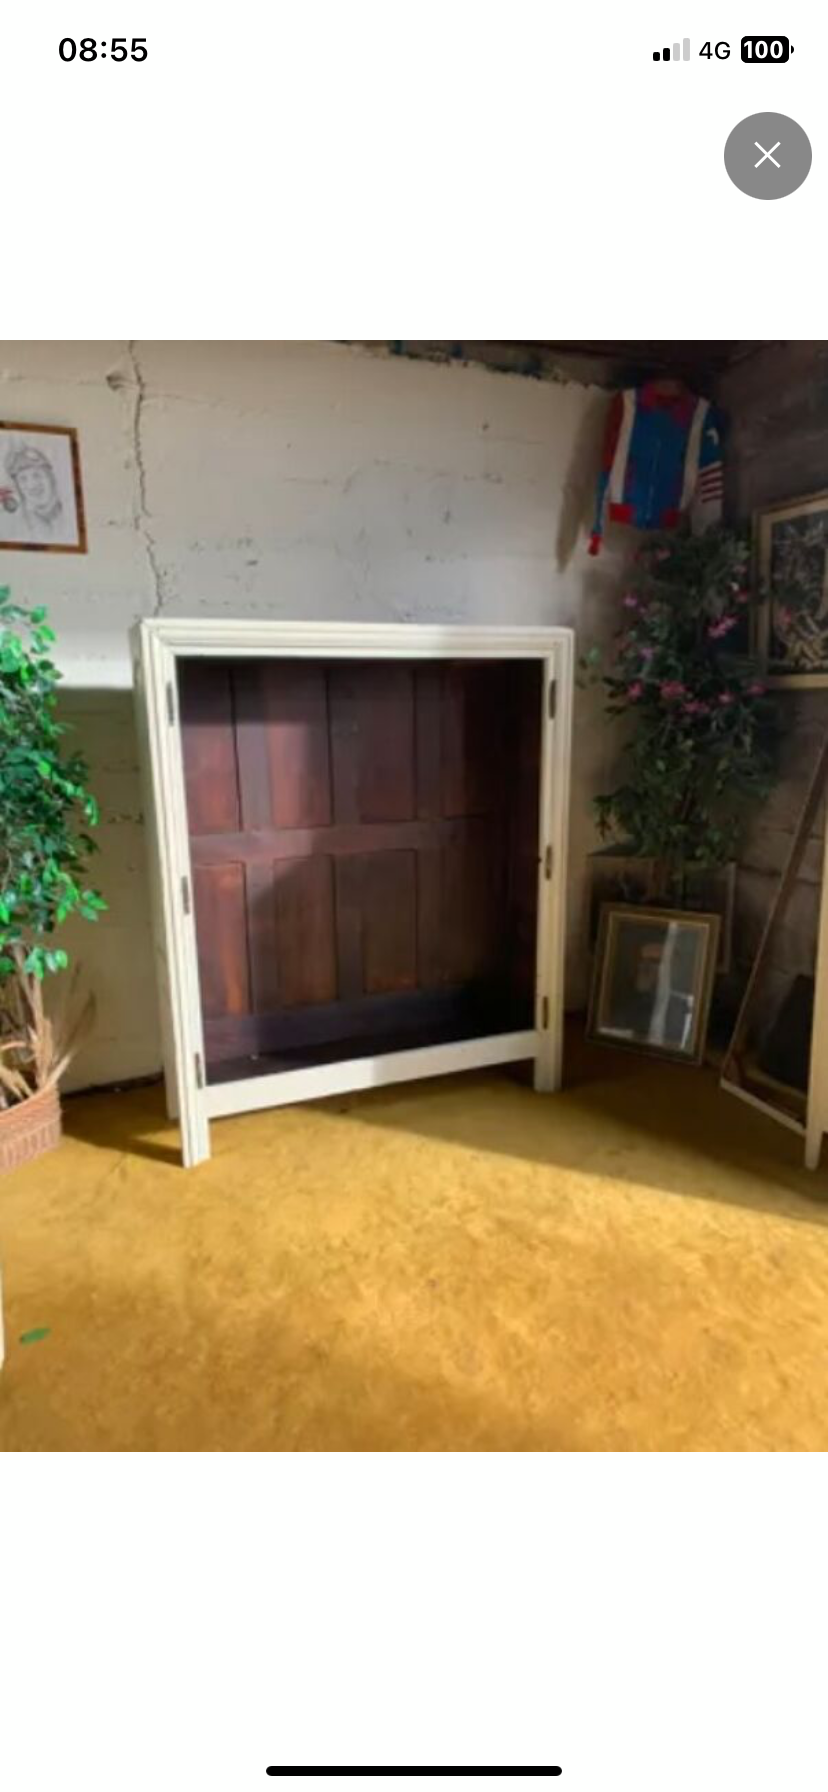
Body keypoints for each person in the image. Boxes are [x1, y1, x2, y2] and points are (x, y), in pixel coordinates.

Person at [5, 442, 64, 539]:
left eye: (37, 475)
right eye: (23, 479)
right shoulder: (22, 524)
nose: (31, 485)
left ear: (51, 477)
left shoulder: (68, 513)